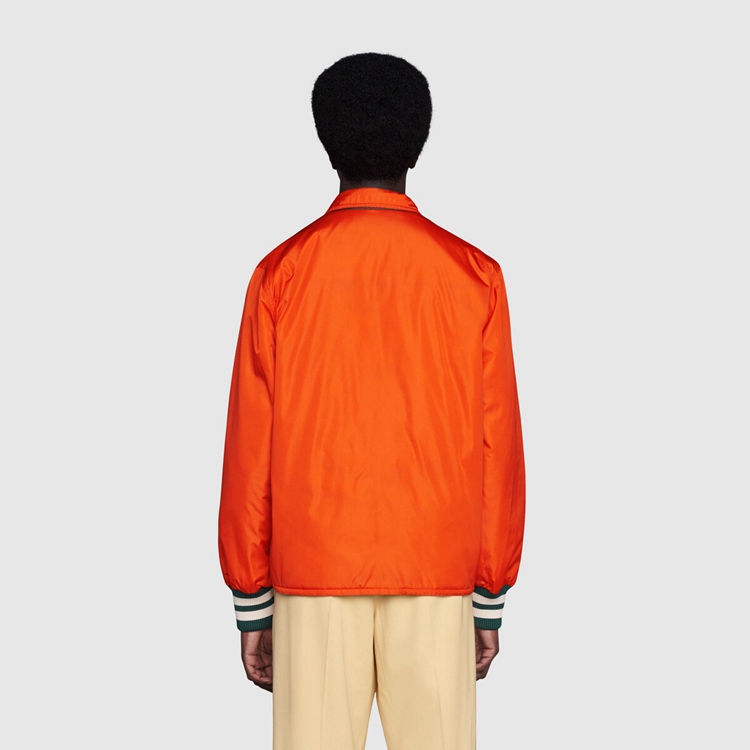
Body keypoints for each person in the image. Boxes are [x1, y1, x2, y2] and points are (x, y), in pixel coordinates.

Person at [218, 51, 526, 750]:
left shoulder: (280, 274)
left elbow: (250, 444)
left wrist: (252, 599)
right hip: (438, 567)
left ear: (326, 142)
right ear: (419, 143)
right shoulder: (474, 275)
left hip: (314, 569)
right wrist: (489, 594)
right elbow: (498, 445)